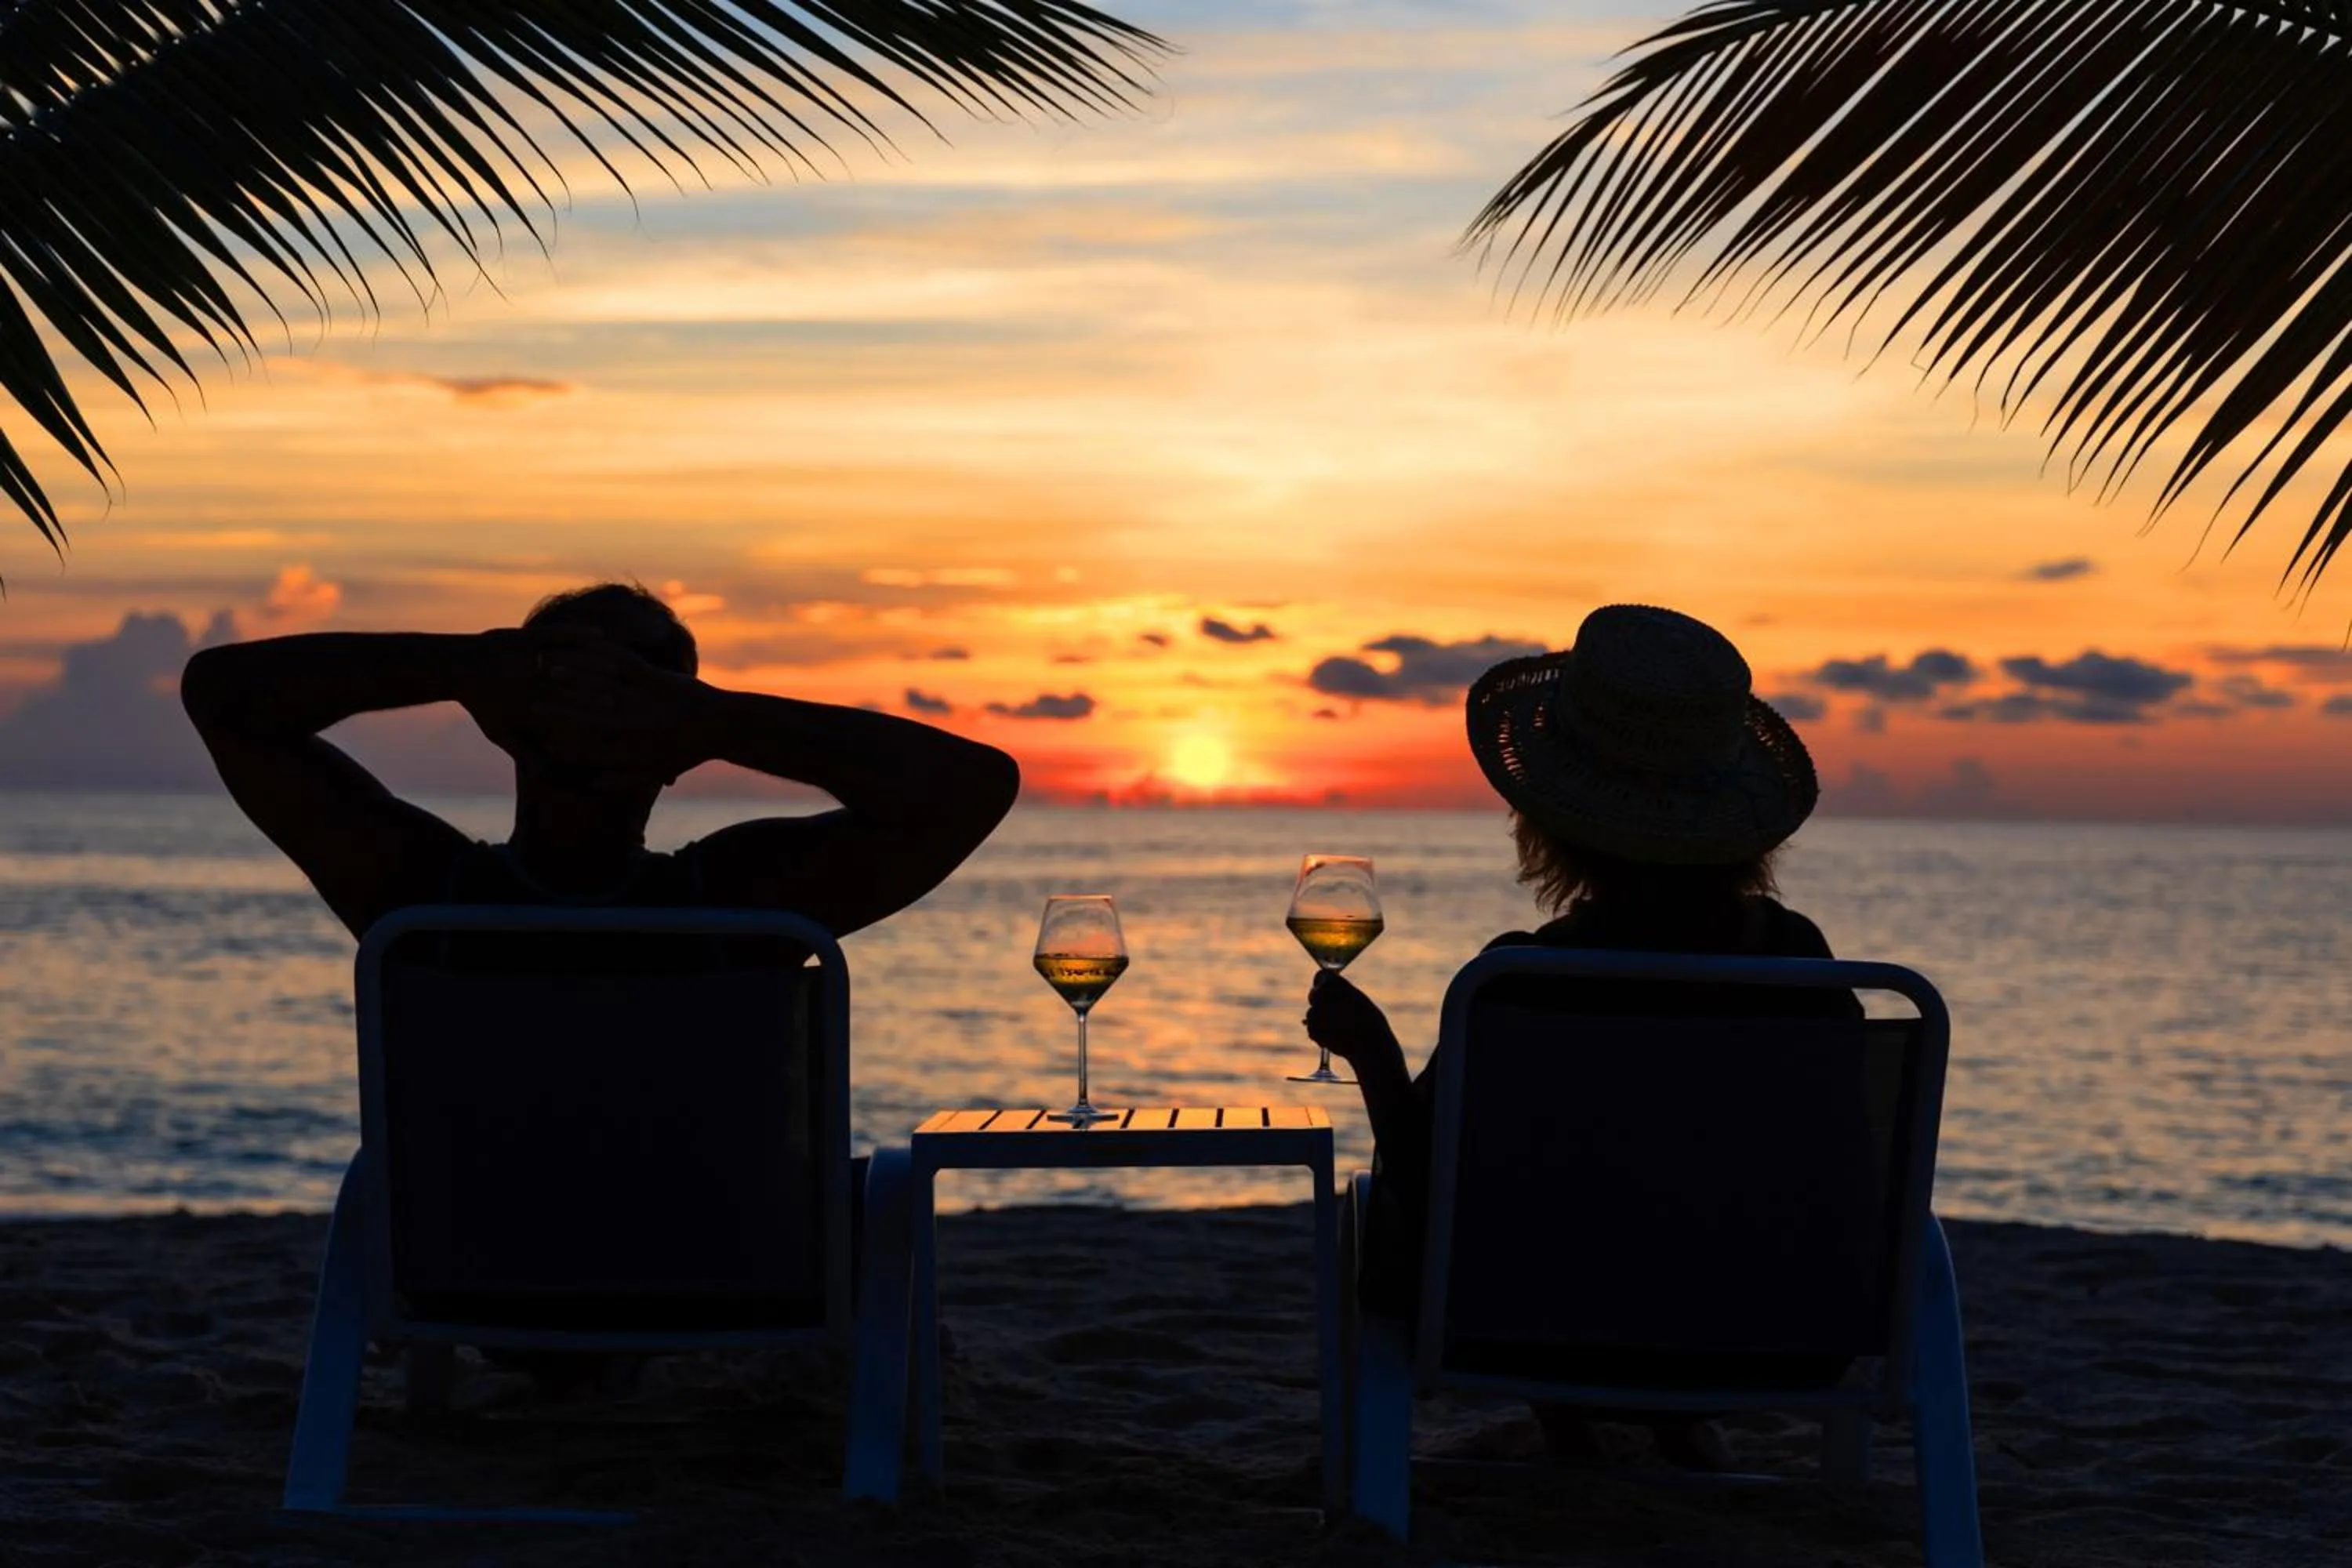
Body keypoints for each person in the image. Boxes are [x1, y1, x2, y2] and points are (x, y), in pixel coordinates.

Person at [1302, 604, 1861, 1470]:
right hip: (1770, 1329)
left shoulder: (1525, 980)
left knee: (1431, 1217)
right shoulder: (1799, 962)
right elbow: (1826, 1163)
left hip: (1525, 1328)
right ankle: (1675, 1421)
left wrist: (1373, 1049)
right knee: (1667, 1192)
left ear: (1555, 821)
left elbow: (1429, 1178)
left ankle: (1570, 1420)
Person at [180, 582, 1020, 940]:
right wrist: (711, 719)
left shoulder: (418, 898)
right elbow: (966, 790)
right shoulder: (738, 909)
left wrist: (463, 670)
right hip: (722, 1298)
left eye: (627, 695)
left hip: (462, 1295)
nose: (597, 714)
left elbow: (231, 704)